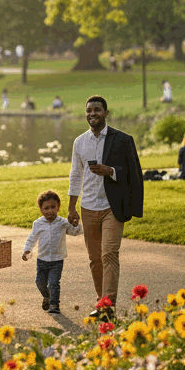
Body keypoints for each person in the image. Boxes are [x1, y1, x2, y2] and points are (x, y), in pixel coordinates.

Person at [67, 95, 144, 321]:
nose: (92, 114)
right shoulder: (79, 142)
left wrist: (111, 171)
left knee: (109, 253)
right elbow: (75, 175)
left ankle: (107, 307)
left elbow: (134, 172)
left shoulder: (122, 139)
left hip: (112, 205)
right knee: (95, 259)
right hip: (88, 206)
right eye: (89, 110)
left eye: (97, 110)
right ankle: (102, 301)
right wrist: (72, 207)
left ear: (106, 113)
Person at [22, 190, 81, 315]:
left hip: (57, 260)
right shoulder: (38, 223)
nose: (50, 211)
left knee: (54, 283)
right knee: (40, 282)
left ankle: (54, 305)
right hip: (42, 259)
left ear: (58, 207)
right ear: (41, 209)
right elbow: (32, 238)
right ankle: (47, 296)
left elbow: (75, 232)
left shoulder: (63, 223)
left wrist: (76, 224)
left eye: (53, 207)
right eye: (46, 208)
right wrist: (27, 250)